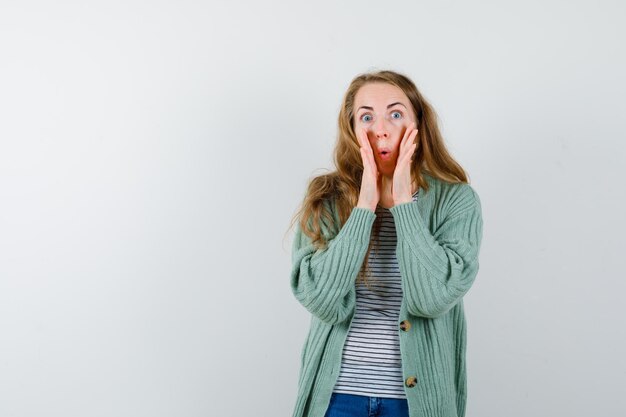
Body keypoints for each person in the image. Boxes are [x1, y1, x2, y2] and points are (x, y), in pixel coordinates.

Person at [288, 69, 483, 417]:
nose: (381, 128)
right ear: (351, 129)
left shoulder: (456, 200)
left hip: (416, 404)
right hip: (336, 398)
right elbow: (319, 298)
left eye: (395, 113)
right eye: (367, 116)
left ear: (418, 124)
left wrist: (405, 205)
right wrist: (364, 206)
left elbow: (431, 298)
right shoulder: (327, 198)